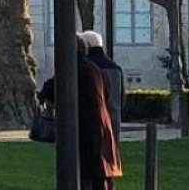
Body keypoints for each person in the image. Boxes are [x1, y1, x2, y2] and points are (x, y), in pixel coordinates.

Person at [38, 36, 122, 190]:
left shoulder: (71, 68)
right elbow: (107, 94)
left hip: (84, 131)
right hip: (102, 129)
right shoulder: (94, 68)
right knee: (100, 177)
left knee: (84, 176)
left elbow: (49, 90)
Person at [81, 30, 124, 143]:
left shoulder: (87, 67)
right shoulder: (115, 68)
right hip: (114, 120)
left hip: (92, 121)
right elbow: (122, 98)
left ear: (87, 45)